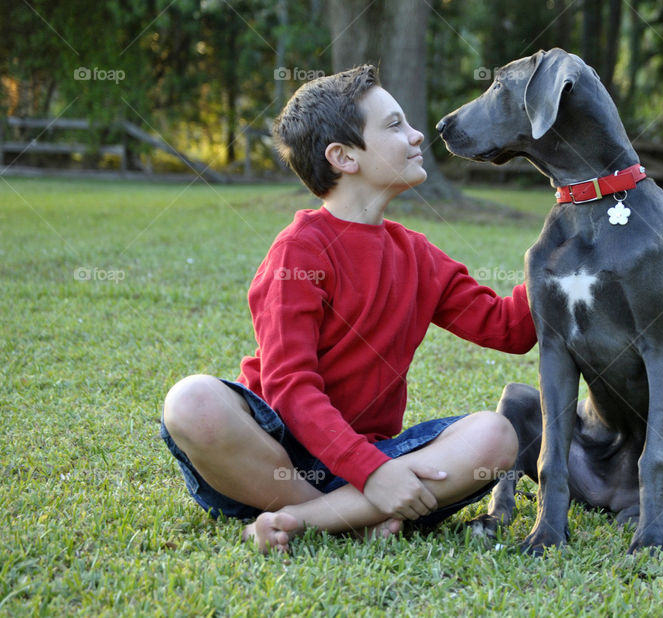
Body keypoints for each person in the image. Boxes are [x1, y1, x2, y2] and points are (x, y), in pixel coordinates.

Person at [160, 65, 536, 553]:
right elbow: (290, 388)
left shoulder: (417, 255)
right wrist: (373, 474)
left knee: (496, 435)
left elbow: (509, 328)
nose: (417, 135)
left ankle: (306, 520)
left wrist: (559, 249)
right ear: (343, 157)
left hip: (375, 461)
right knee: (191, 400)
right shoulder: (299, 251)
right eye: (394, 125)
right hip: (273, 455)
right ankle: (352, 518)